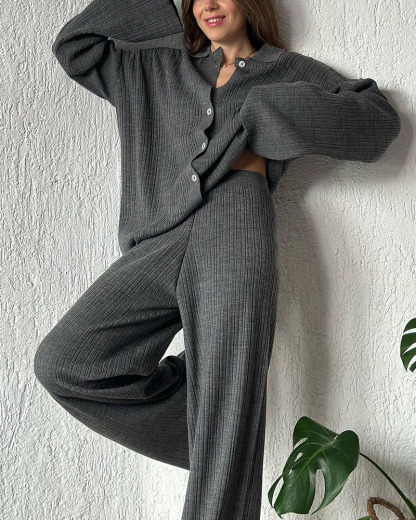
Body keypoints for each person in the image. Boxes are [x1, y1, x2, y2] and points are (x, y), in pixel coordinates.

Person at [33, 0, 401, 519]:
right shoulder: (155, 69)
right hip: (159, 239)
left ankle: (226, 432)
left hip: (236, 224)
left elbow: (377, 122)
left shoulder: (287, 71)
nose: (207, 4)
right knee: (67, 363)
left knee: (227, 417)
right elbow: (75, 47)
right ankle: (221, 433)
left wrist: (269, 111)